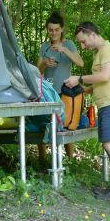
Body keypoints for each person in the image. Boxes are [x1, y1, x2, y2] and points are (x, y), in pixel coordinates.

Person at [64, 21, 110, 203]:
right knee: (108, 144)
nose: (83, 46)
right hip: (107, 104)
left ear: (91, 33)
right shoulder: (99, 53)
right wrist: (85, 89)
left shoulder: (108, 49)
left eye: (83, 42)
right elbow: (102, 82)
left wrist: (79, 78)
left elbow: (105, 75)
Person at [36, 11, 83, 161]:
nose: (53, 33)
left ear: (62, 29)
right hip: (48, 92)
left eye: (56, 29)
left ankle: (69, 159)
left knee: (66, 125)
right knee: (43, 124)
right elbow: (37, 72)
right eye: (50, 30)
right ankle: (42, 160)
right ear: (47, 30)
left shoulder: (69, 44)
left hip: (65, 92)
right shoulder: (44, 47)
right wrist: (44, 63)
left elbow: (80, 63)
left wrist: (64, 50)